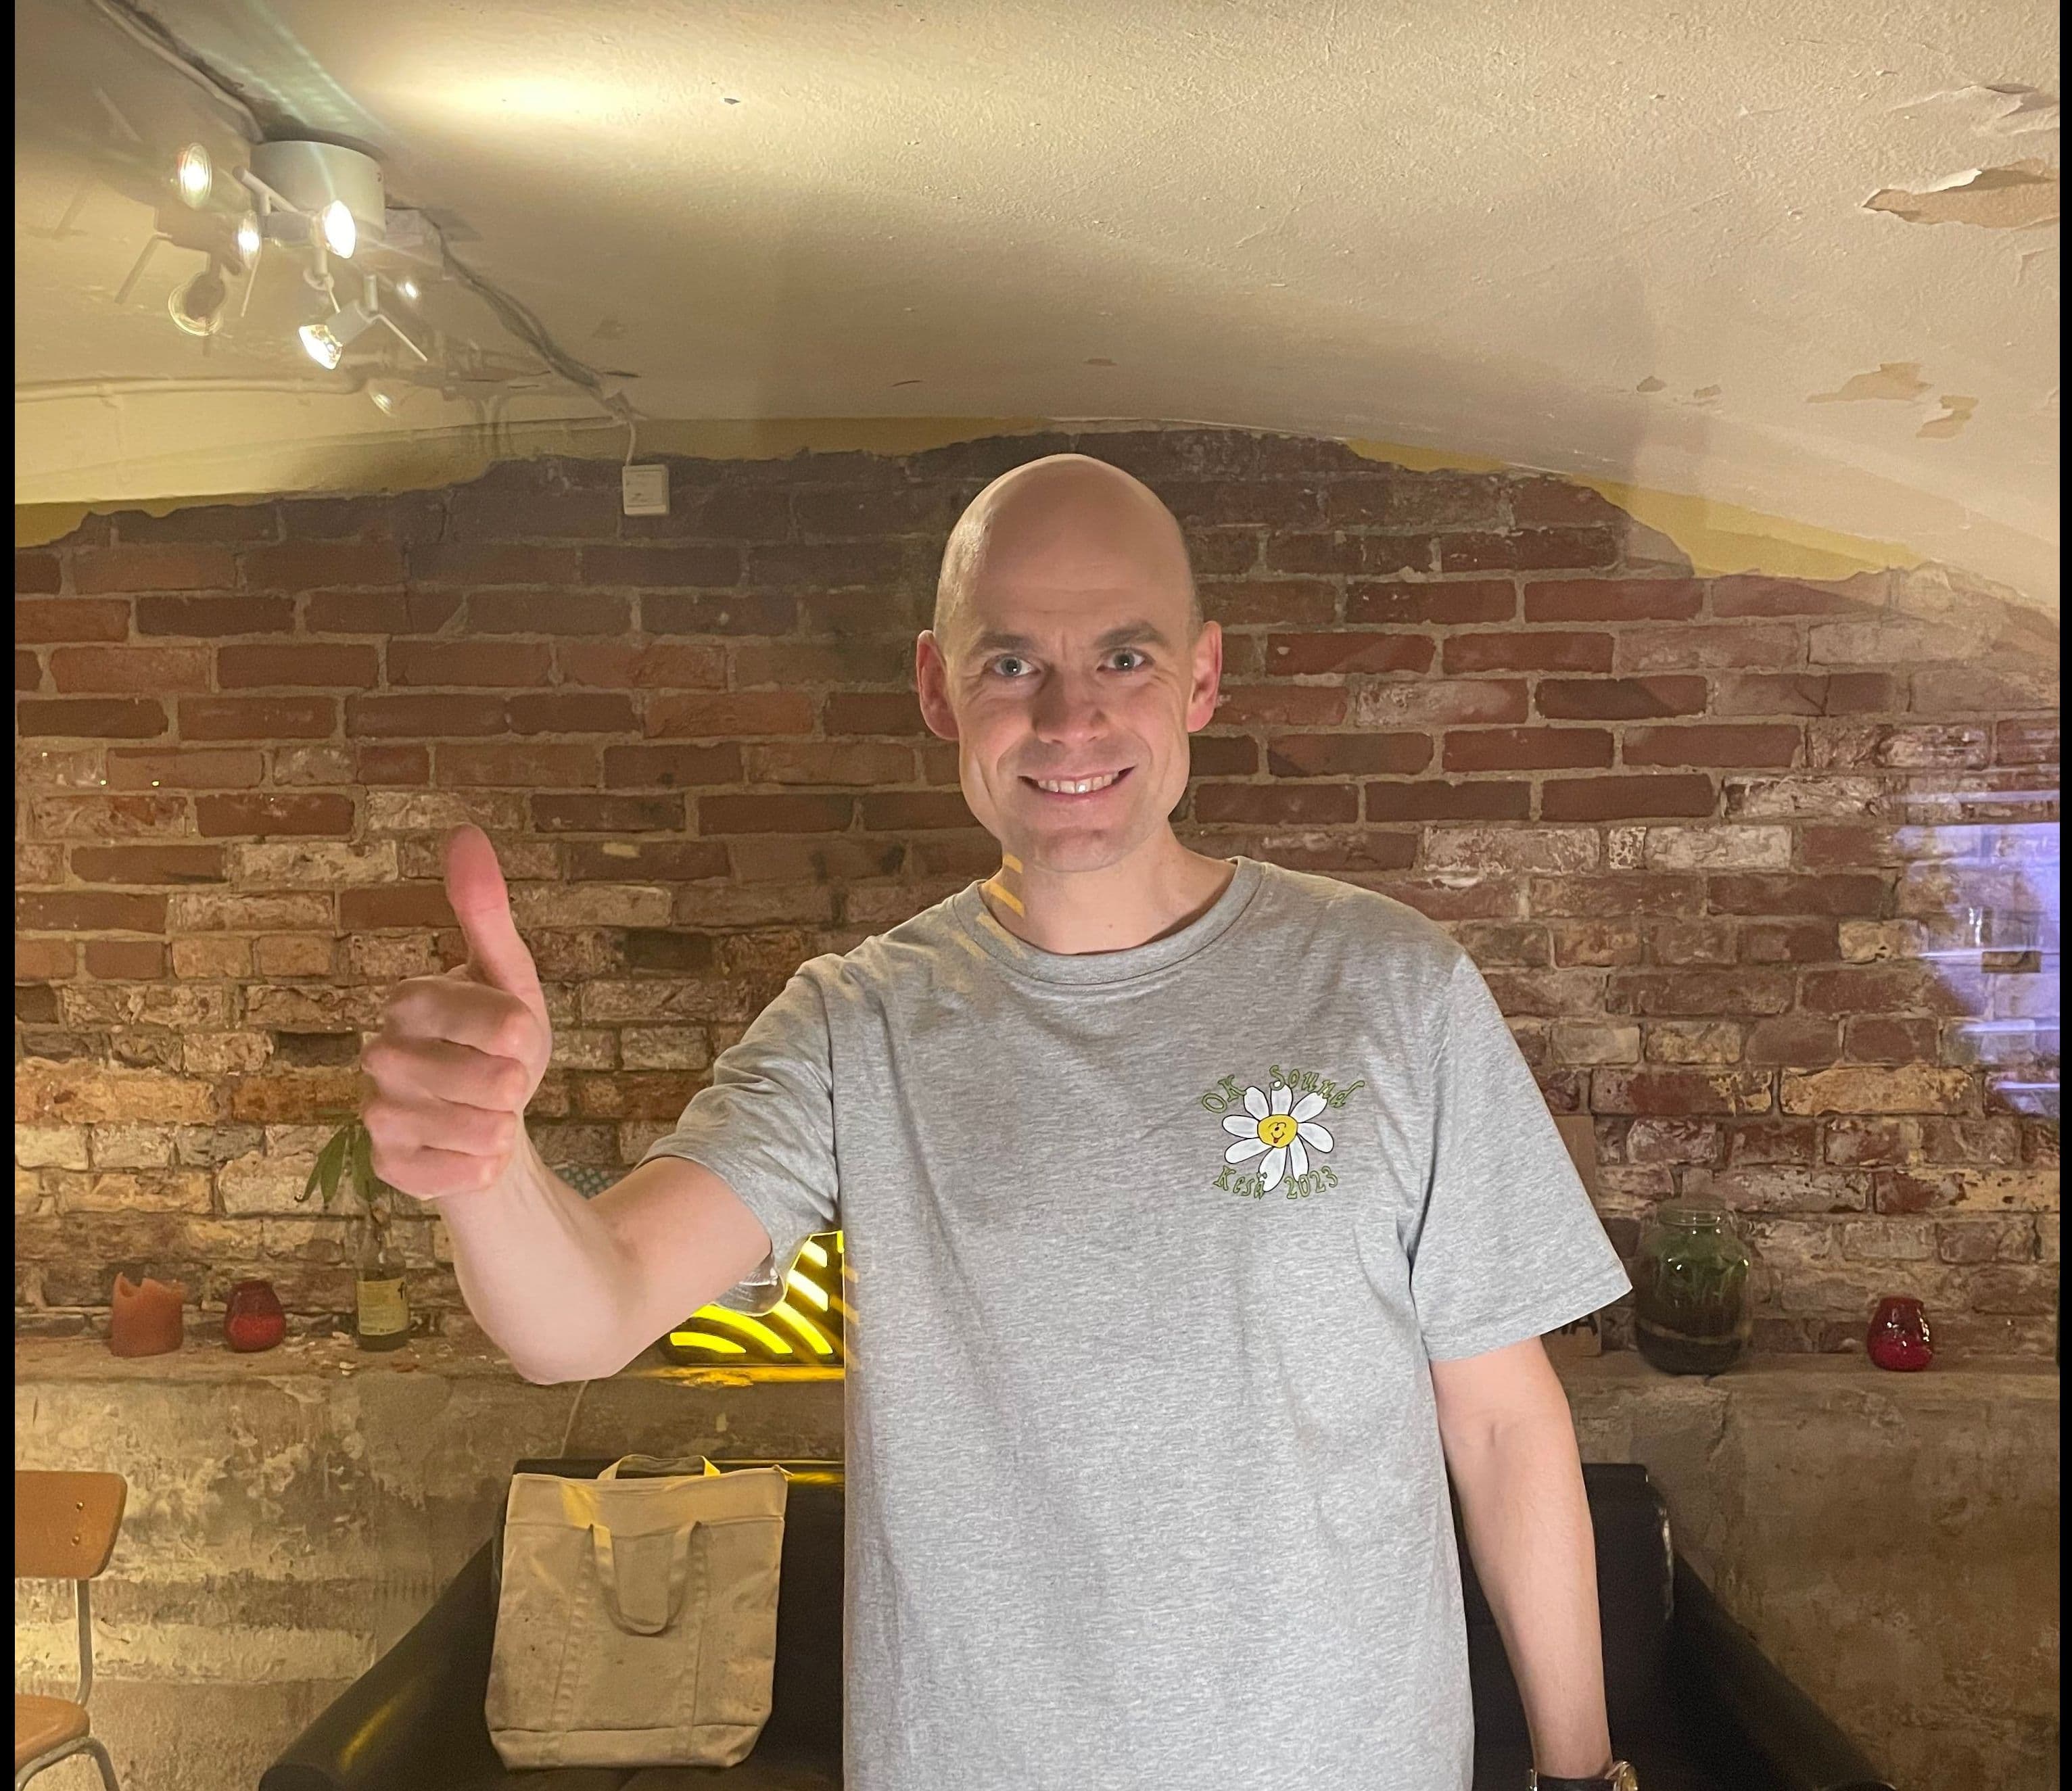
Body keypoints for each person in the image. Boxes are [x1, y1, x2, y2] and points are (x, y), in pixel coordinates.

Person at [360, 452, 1639, 1791]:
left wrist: (1582, 1777)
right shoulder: (858, 1025)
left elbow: (1503, 1424)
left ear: (1202, 676)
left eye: (1125, 657)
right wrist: (484, 1169)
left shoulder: (1391, 987)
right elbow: (585, 1312)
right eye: (1012, 663)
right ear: (937, 687)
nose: (1071, 718)